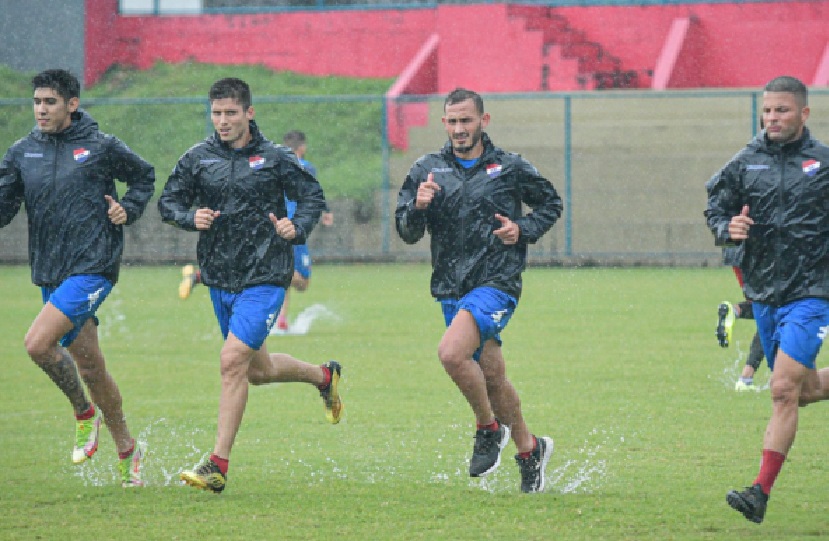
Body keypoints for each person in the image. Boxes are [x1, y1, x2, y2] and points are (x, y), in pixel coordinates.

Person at [158, 78, 343, 494]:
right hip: (221, 278)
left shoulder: (276, 158)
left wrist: (297, 227)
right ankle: (323, 378)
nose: (222, 121)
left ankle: (217, 465)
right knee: (256, 371)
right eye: (216, 113)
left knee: (230, 360)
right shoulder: (198, 158)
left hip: (265, 276)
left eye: (230, 113)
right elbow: (168, 202)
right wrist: (190, 218)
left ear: (249, 113)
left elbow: (312, 197)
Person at [395, 88, 562, 493]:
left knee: (451, 354)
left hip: (497, 283)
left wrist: (522, 230)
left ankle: (488, 429)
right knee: (492, 377)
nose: (459, 129)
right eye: (452, 122)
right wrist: (417, 206)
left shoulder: (509, 167)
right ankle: (529, 447)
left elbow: (551, 204)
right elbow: (406, 231)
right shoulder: (427, 169)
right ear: (443, 123)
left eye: (466, 121)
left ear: (483, 121)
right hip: (452, 287)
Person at [0, 69, 153, 487]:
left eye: (50, 102)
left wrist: (129, 209)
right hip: (50, 270)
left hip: (93, 265)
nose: (41, 109)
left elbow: (143, 176)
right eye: (36, 102)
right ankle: (128, 447)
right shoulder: (21, 153)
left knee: (37, 344)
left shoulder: (101, 147)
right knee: (90, 367)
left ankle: (85, 416)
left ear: (72, 104)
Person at [705, 75, 829, 524]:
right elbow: (715, 205)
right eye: (768, 110)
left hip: (812, 291)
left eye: (783, 110)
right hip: (764, 294)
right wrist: (726, 229)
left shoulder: (823, 162)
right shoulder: (745, 162)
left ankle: (758, 493)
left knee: (780, 389)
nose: (773, 118)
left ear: (804, 114)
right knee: (804, 389)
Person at [177, 130, 334, 336]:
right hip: (291, 228)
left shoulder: (271, 164)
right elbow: (313, 192)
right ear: (302, 148)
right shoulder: (303, 167)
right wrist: (327, 211)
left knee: (281, 271)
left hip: (273, 223)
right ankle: (200, 276)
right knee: (300, 280)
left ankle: (280, 320)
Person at [716, 245, 765, 391]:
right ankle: (746, 378)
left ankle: (735, 311)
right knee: (770, 312)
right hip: (759, 252)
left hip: (735, 251)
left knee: (767, 310)